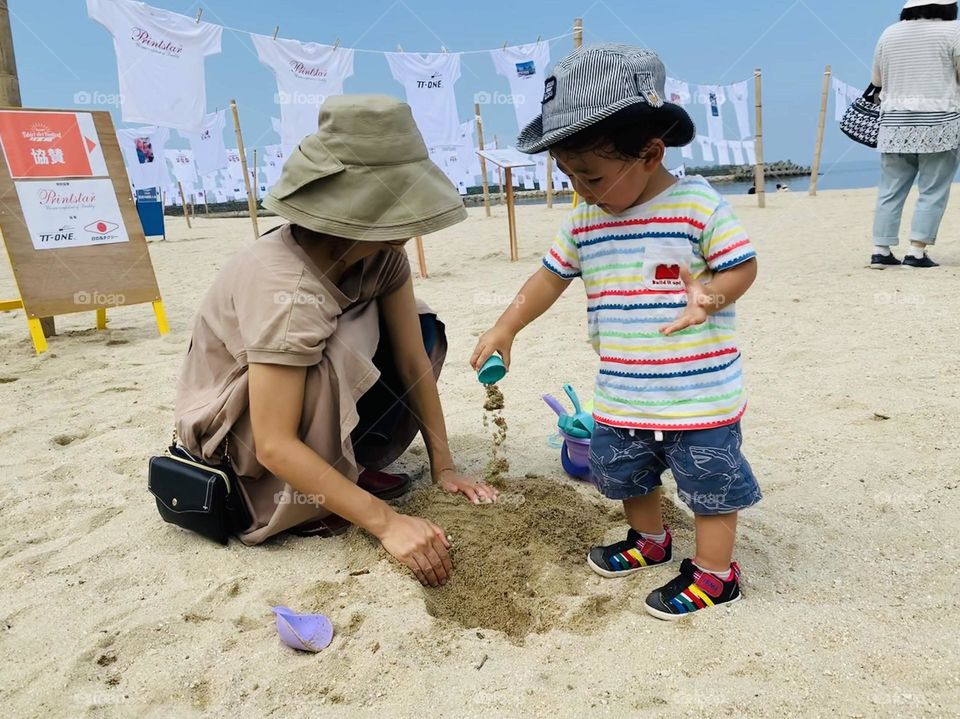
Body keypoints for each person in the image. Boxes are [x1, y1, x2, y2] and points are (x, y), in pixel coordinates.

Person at [471, 45, 761, 620]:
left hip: (697, 396)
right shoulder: (584, 219)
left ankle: (714, 575)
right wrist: (507, 325)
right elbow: (549, 277)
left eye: (592, 175)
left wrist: (711, 295)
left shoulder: (696, 206)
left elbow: (742, 264)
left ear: (651, 153)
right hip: (624, 389)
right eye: (569, 174)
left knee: (710, 485)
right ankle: (650, 542)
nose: (580, 188)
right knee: (627, 473)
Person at [175, 95, 499, 587]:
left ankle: (344, 467)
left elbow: (412, 359)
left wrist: (445, 466)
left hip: (299, 411)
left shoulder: (382, 256)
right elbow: (274, 444)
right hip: (238, 443)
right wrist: (387, 523)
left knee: (420, 324)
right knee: (337, 345)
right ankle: (314, 494)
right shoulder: (283, 284)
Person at [871, 0, 960, 269]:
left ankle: (880, 250)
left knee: (890, 189)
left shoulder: (890, 32)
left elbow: (877, 81)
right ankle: (916, 252)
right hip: (939, 120)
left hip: (894, 122)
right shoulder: (953, 31)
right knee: (933, 189)